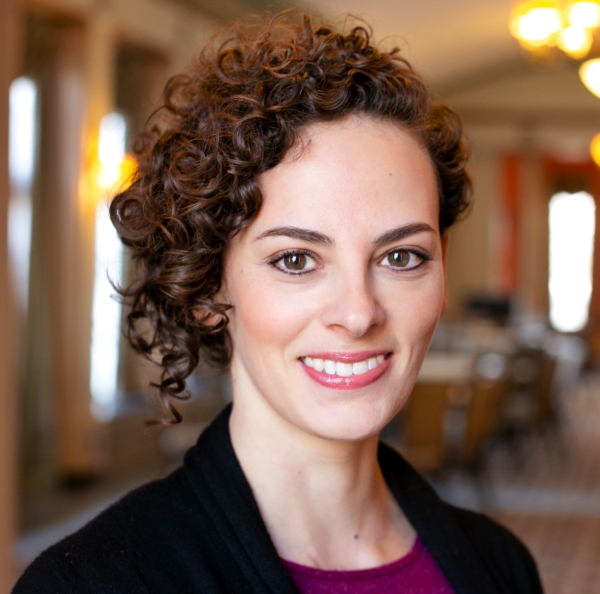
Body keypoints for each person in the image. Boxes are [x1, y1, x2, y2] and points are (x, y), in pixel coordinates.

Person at [14, 11, 544, 594]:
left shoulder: (503, 567)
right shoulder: (91, 584)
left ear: (441, 265)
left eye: (401, 257)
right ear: (208, 285)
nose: (359, 312)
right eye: (296, 260)